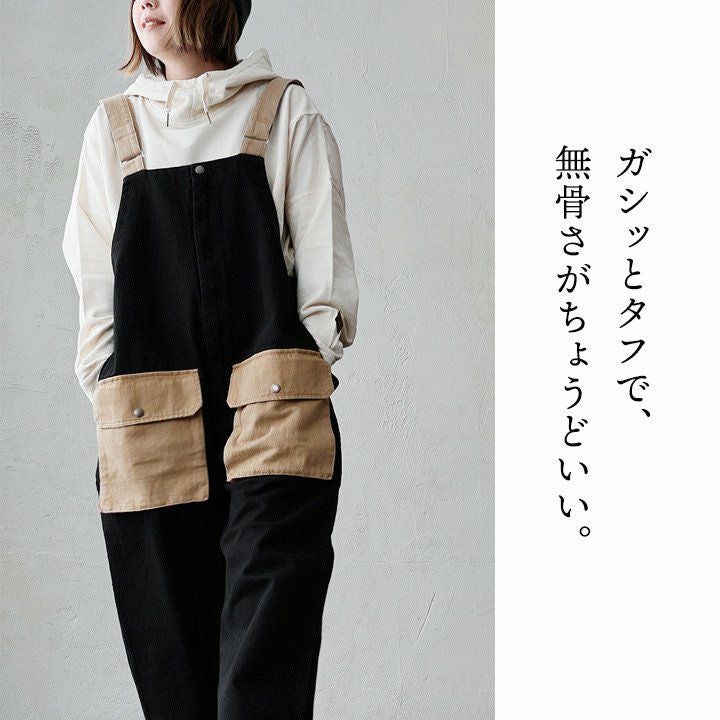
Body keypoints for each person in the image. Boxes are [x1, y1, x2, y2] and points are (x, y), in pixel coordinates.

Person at [61, 0, 359, 717]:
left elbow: (325, 288)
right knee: (175, 678)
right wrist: (109, 388)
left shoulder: (284, 111)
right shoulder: (114, 128)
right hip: (146, 421)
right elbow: (95, 292)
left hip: (275, 412)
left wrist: (296, 379)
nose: (145, 2)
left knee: (263, 673)